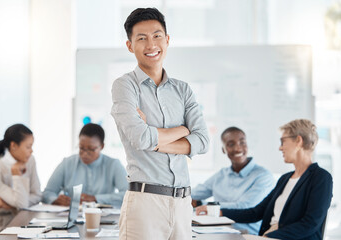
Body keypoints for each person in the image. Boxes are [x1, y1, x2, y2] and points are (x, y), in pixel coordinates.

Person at [111, 8, 209, 240]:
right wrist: (183, 131)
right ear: (129, 45)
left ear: (167, 40)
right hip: (146, 203)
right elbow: (140, 138)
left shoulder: (183, 90)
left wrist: (156, 141)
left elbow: (203, 141)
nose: (151, 45)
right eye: (141, 38)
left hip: (184, 204)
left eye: (156, 36)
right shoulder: (125, 86)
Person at [221, 119, 333, 240]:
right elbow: (256, 212)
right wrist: (221, 212)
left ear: (298, 141)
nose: (280, 148)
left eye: (283, 141)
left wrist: (268, 237)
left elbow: (310, 224)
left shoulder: (321, 177)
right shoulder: (285, 179)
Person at [193, 127, 275, 234]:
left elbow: (246, 206)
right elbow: (194, 193)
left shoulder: (263, 176)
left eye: (242, 142)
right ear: (223, 149)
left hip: (246, 234)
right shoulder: (221, 174)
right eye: (231, 144)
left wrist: (205, 204)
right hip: (217, 231)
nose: (238, 148)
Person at [42, 123, 127, 207]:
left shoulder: (113, 165)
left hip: (103, 218)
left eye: (91, 149)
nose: (85, 154)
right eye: (81, 148)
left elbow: (127, 195)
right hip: (70, 216)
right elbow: (47, 193)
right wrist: (55, 200)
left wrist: (96, 198)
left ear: (102, 146)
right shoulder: (67, 163)